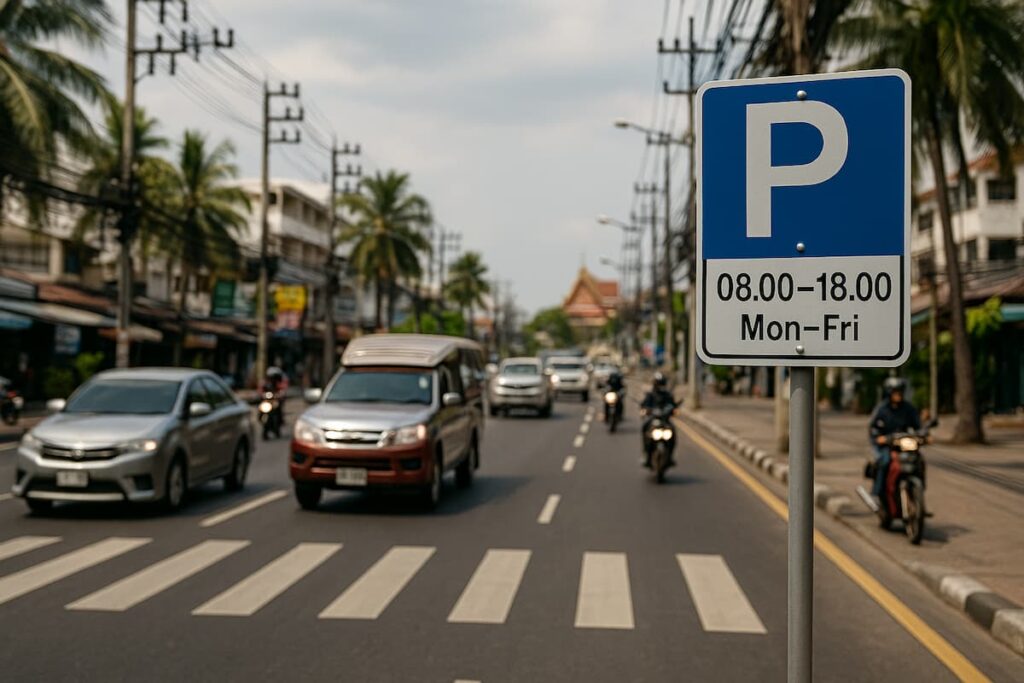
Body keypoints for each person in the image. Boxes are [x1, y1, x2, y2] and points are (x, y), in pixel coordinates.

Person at [868, 377, 921, 502]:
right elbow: (873, 428)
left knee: (918, 460)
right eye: (895, 392)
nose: (898, 395)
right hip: (886, 444)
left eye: (900, 392)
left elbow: (918, 425)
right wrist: (879, 438)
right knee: (884, 461)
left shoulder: (908, 408)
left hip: (903, 444)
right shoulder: (882, 409)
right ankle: (877, 492)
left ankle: (918, 492)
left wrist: (924, 435)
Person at [640, 372, 678, 467]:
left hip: (665, 420)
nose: (660, 386)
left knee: (673, 431)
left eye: (661, 383)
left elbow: (673, 405)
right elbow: (644, 405)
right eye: (658, 383)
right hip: (653, 419)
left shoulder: (668, 395)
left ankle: (670, 456)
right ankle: (646, 454)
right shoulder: (650, 394)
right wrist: (646, 410)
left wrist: (672, 410)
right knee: (644, 427)